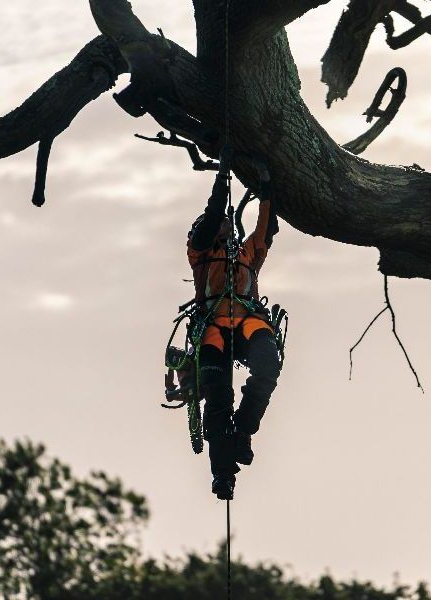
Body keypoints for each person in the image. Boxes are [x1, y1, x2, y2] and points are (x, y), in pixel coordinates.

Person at [187, 148, 280, 501]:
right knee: (217, 398)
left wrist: (267, 190)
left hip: (247, 324)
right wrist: (222, 178)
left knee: (268, 367)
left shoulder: (247, 255)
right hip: (212, 329)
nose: (224, 226)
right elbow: (210, 220)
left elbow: (266, 228)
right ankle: (222, 474)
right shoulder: (200, 253)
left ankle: (243, 431)